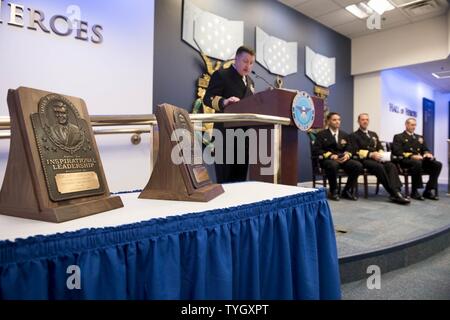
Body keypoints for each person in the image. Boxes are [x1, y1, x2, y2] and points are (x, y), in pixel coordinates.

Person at [203, 46, 255, 183]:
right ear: (236, 58)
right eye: (245, 61)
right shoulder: (221, 75)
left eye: (251, 63)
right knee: (225, 180)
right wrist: (224, 101)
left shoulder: (251, 82)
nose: (248, 66)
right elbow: (207, 98)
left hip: (244, 137)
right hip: (225, 136)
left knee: (240, 181)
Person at [351, 113, 409, 204]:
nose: (365, 121)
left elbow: (379, 147)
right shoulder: (354, 135)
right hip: (365, 160)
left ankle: (396, 191)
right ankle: (394, 193)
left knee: (391, 165)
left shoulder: (373, 134)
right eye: (363, 119)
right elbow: (355, 151)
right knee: (379, 167)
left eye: (367, 119)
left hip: (378, 158)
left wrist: (381, 153)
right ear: (358, 121)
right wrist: (370, 154)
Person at [313, 112, 363, 201]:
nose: (337, 122)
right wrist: (331, 156)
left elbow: (350, 148)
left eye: (339, 120)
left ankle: (346, 191)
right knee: (333, 165)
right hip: (328, 159)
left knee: (357, 166)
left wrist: (347, 155)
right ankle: (333, 191)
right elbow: (317, 150)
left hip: (343, 159)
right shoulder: (321, 134)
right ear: (328, 121)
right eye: (334, 120)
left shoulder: (345, 135)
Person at [392, 118, 442, 200]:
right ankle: (414, 191)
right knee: (417, 162)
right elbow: (397, 151)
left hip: (419, 160)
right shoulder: (398, 137)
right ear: (406, 125)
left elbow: (425, 149)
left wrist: (427, 153)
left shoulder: (419, 137)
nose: (414, 127)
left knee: (437, 164)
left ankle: (428, 190)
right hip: (405, 160)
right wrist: (411, 156)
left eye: (415, 125)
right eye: (412, 125)